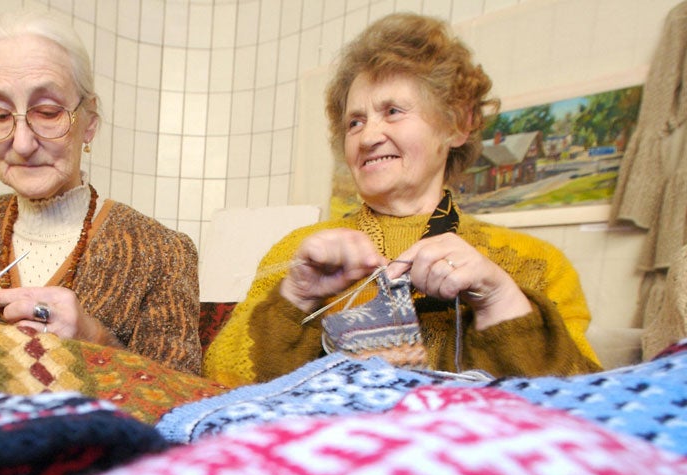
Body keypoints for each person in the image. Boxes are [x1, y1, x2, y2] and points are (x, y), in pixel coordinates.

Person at [204, 13, 602, 388]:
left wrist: (500, 300)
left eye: (392, 112)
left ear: (457, 124)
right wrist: (297, 295)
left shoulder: (537, 265)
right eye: (354, 122)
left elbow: (582, 402)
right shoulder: (299, 252)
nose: (368, 136)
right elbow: (222, 381)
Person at [0, 11, 202, 374]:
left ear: (89, 121)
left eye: (47, 112)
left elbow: (185, 402)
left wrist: (97, 339)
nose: (21, 143)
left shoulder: (160, 253)